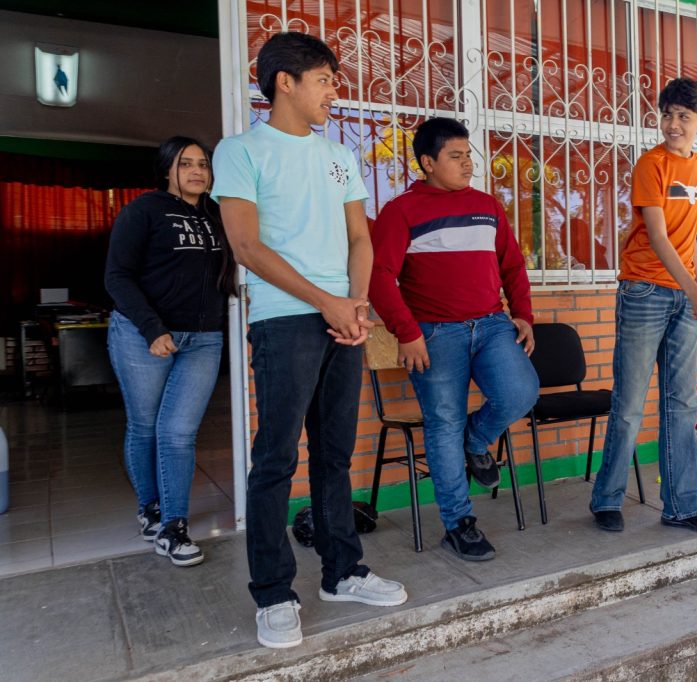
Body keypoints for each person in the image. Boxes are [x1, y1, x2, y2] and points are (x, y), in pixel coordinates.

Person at [212, 31, 407, 649]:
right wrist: (325, 301)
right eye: (323, 78)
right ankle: (273, 592)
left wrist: (353, 304)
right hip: (284, 318)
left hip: (343, 316)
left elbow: (360, 240)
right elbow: (246, 245)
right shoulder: (241, 151)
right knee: (276, 459)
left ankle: (342, 571)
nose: (333, 90)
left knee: (334, 454)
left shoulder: (339, 156)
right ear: (284, 82)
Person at [369, 117, 539, 562]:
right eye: (456, 156)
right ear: (428, 162)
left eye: (469, 155)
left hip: (490, 324)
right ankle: (459, 523)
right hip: (433, 335)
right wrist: (406, 334)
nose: (468, 164)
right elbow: (379, 277)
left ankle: (476, 441)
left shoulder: (487, 205)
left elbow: (513, 265)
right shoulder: (400, 211)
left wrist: (523, 313)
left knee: (521, 391)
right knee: (442, 423)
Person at [589, 77, 697, 534]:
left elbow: (691, 239)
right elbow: (660, 237)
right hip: (645, 291)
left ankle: (683, 504)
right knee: (629, 403)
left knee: (682, 404)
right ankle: (607, 498)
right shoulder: (651, 165)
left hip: (685, 294)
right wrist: (692, 290)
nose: (672, 124)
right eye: (666, 114)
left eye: (683, 117)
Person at [105, 136, 234, 568]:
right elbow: (117, 277)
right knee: (145, 427)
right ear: (167, 171)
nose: (197, 171)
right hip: (142, 335)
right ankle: (151, 509)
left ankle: (174, 526)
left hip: (203, 337)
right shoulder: (144, 210)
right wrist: (151, 328)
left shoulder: (218, 215)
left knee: (178, 432)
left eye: (203, 164)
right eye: (186, 164)